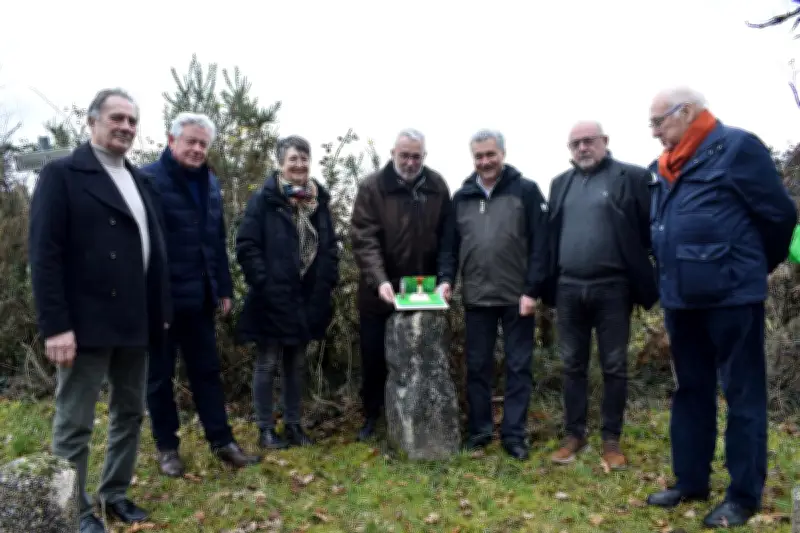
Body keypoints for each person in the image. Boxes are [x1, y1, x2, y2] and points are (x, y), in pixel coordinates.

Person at [645, 87, 798, 528]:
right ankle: (690, 481)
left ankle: (742, 495)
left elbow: (779, 216)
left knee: (742, 394)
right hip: (681, 299)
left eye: (659, 122)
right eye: (651, 125)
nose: (654, 132)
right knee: (689, 391)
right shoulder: (666, 166)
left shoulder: (735, 147)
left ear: (687, 112)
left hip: (731, 298)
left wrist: (746, 268)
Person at [28, 88, 171, 533]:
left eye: (132, 120)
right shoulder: (63, 174)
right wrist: (56, 326)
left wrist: (160, 316)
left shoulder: (141, 179)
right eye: (117, 118)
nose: (126, 127)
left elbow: (156, 254)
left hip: (136, 320)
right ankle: (74, 510)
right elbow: (44, 254)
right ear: (92, 122)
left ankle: (115, 494)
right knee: (76, 423)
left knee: (130, 413)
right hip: (84, 323)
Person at [141, 112, 260, 477]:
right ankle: (167, 448)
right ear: (170, 140)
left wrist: (223, 287)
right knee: (159, 377)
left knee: (207, 372)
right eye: (190, 141)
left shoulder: (210, 183)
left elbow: (216, 239)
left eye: (203, 144)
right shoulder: (146, 179)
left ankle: (222, 442)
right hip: (159, 299)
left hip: (200, 298)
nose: (196, 149)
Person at [545, 121, 657, 469]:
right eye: (575, 143)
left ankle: (611, 439)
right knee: (572, 365)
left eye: (588, 141)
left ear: (604, 142)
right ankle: (574, 434)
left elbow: (649, 232)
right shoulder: (560, 184)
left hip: (613, 288)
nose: (582, 148)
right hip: (568, 288)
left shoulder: (632, 178)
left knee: (614, 366)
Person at [437, 129, 549, 460]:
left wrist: (533, 290)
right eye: (479, 156)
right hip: (476, 297)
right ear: (473, 158)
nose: (485, 161)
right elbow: (449, 248)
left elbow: (541, 245)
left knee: (518, 367)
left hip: (518, 298)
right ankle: (481, 431)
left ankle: (514, 435)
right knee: (477, 367)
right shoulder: (461, 197)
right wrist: (446, 279)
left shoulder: (526, 191)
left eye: (490, 154)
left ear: (503, 153)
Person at [235, 135, 339, 449]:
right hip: (271, 296)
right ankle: (266, 429)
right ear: (280, 162)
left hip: (306, 297)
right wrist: (264, 282)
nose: (299, 164)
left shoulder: (318, 201)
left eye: (304, 158)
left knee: (296, 364)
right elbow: (246, 245)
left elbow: (330, 247)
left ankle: (294, 425)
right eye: (292, 159)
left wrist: (325, 283)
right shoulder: (264, 199)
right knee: (267, 363)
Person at [349, 128, 452, 441]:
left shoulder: (437, 186)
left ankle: (422, 417)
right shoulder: (372, 187)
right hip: (379, 293)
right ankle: (372, 417)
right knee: (375, 358)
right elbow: (364, 238)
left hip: (423, 292)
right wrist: (379, 280)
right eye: (404, 155)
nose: (410, 162)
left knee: (422, 355)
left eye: (416, 156)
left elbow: (448, 238)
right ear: (392, 153)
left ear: (424, 156)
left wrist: (446, 279)